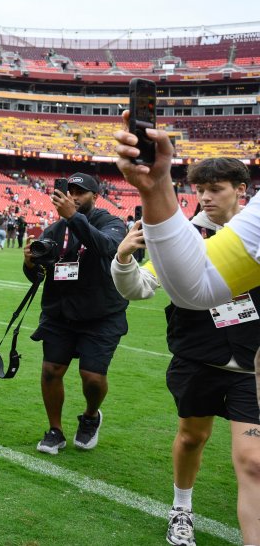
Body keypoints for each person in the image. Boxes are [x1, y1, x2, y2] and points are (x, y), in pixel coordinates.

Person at [110, 158, 260, 546]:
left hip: (251, 366)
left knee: (254, 461)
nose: (206, 198)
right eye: (200, 190)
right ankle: (181, 507)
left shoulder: (255, 233)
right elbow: (141, 287)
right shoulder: (183, 235)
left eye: (216, 189)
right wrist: (123, 258)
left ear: (241, 190)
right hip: (198, 359)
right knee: (193, 436)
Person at [22, 172, 129, 455]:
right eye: (69, 191)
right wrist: (31, 264)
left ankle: (92, 415)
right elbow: (39, 276)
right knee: (50, 371)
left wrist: (73, 217)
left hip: (102, 313)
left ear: (95, 195)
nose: (74, 196)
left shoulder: (111, 223)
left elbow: (106, 247)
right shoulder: (56, 229)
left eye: (80, 192)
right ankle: (55, 430)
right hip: (61, 313)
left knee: (92, 377)